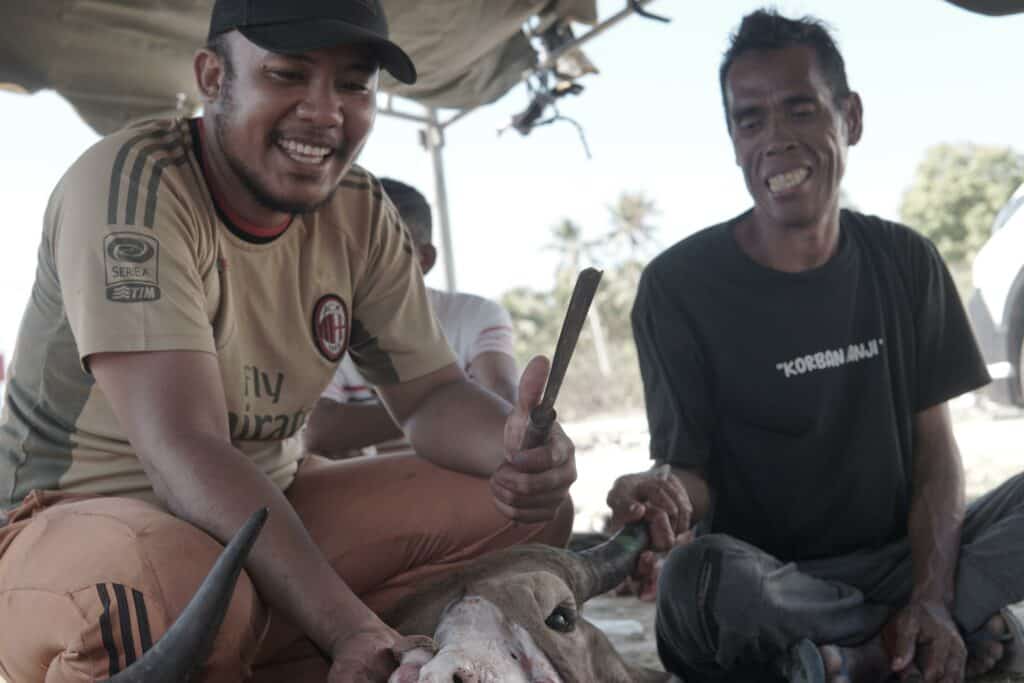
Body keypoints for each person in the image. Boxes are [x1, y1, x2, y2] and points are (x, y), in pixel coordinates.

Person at [0, 1, 576, 681]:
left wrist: (514, 444)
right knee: (168, 596)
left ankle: (273, 641)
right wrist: (345, 621)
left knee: (524, 509)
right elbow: (184, 449)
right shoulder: (133, 184)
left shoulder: (361, 211)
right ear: (213, 77)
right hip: (75, 517)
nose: (325, 110)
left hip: (271, 499)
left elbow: (432, 397)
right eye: (287, 74)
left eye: (354, 84)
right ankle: (298, 635)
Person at [605, 9, 1024, 683]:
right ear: (734, 141)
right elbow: (691, 472)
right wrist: (661, 492)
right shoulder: (677, 287)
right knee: (697, 582)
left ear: (850, 117)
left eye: (801, 111)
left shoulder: (906, 260)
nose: (776, 141)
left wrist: (932, 592)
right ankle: (910, 641)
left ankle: (860, 654)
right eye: (750, 120)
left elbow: (935, 453)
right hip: (774, 581)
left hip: (903, 555)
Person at [303, 177, 518, 459]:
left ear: (424, 258)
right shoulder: (322, 323)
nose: (355, 263)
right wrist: (452, 409)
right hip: (372, 482)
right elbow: (319, 430)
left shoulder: (474, 315)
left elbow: (501, 398)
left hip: (452, 474)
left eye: (385, 250)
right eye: (340, 248)